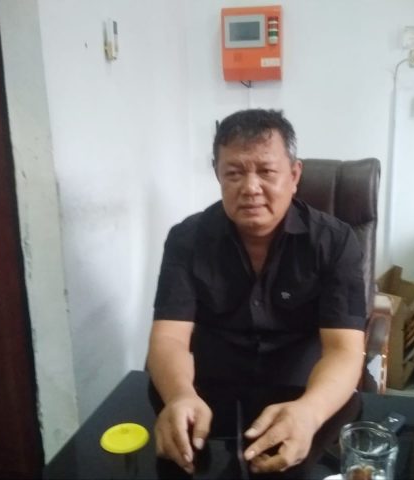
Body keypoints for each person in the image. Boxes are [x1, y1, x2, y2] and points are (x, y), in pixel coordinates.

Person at [146, 108, 366, 475]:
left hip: (303, 392)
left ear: (294, 175)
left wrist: (310, 411)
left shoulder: (335, 242)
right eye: (234, 173)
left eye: (266, 171)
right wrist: (180, 395)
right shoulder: (187, 239)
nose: (250, 188)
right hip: (207, 395)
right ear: (217, 175)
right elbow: (168, 338)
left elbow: (344, 350)